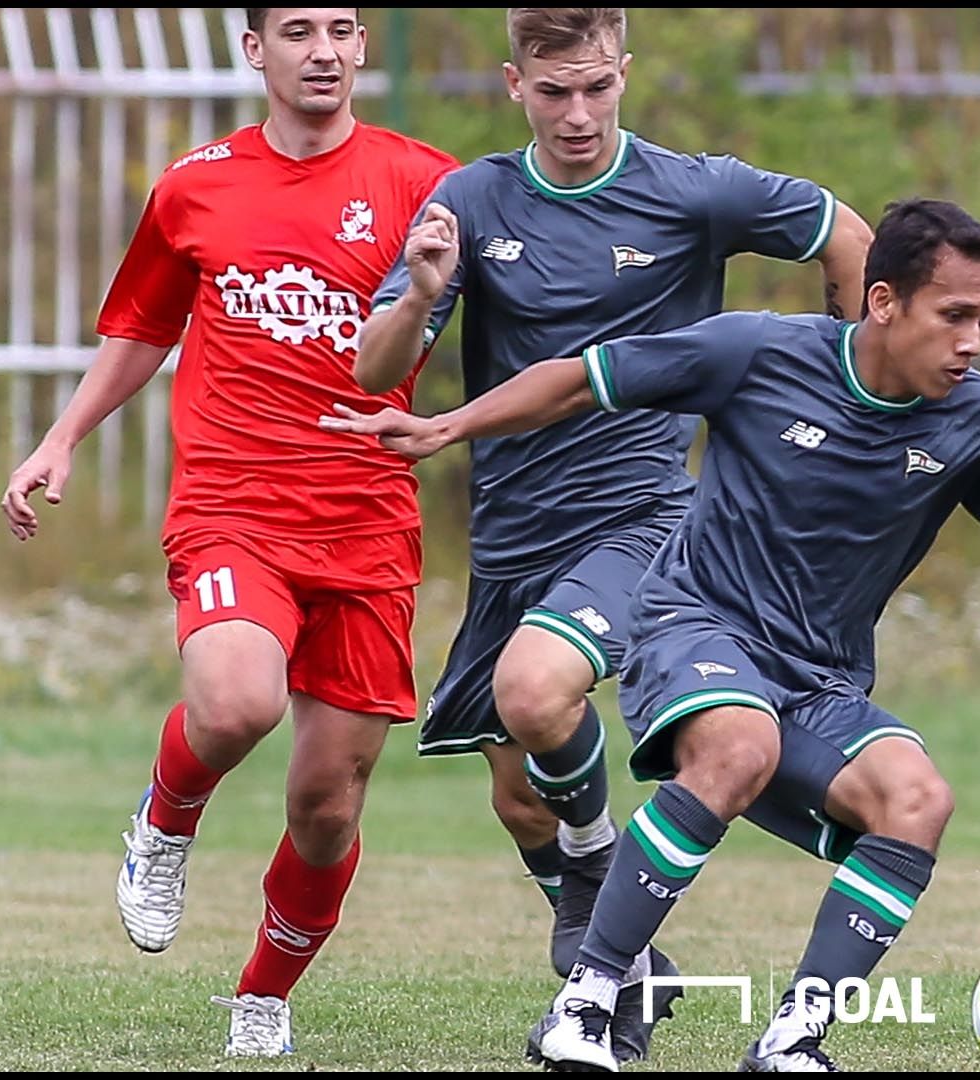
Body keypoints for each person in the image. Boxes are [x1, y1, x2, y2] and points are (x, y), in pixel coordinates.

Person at [320, 197, 980, 1072]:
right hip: (691, 624)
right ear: (883, 300)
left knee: (916, 800)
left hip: (819, 680)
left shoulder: (977, 421)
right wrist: (450, 424)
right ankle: (584, 1007)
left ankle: (795, 1039)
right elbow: (587, 376)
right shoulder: (759, 352)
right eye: (954, 316)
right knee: (737, 746)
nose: (973, 341)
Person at [353, 8, 873, 1061]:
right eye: (554, 92)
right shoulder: (469, 201)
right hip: (511, 540)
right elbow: (373, 371)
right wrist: (415, 294)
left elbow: (846, 234)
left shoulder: (694, 190)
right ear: (514, 85)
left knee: (538, 691)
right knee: (518, 794)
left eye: (597, 87)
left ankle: (598, 921)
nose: (579, 113)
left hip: (646, 519)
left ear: (624, 73)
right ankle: (623, 963)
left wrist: (848, 385)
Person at [0, 7, 457, 1058]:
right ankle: (164, 822)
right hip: (233, 505)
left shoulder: (425, 182)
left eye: (343, 26)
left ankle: (262, 997)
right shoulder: (196, 184)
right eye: (298, 29)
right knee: (239, 698)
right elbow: (143, 327)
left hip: (368, 522)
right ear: (256, 51)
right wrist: (60, 438)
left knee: (327, 807)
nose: (327, 49)